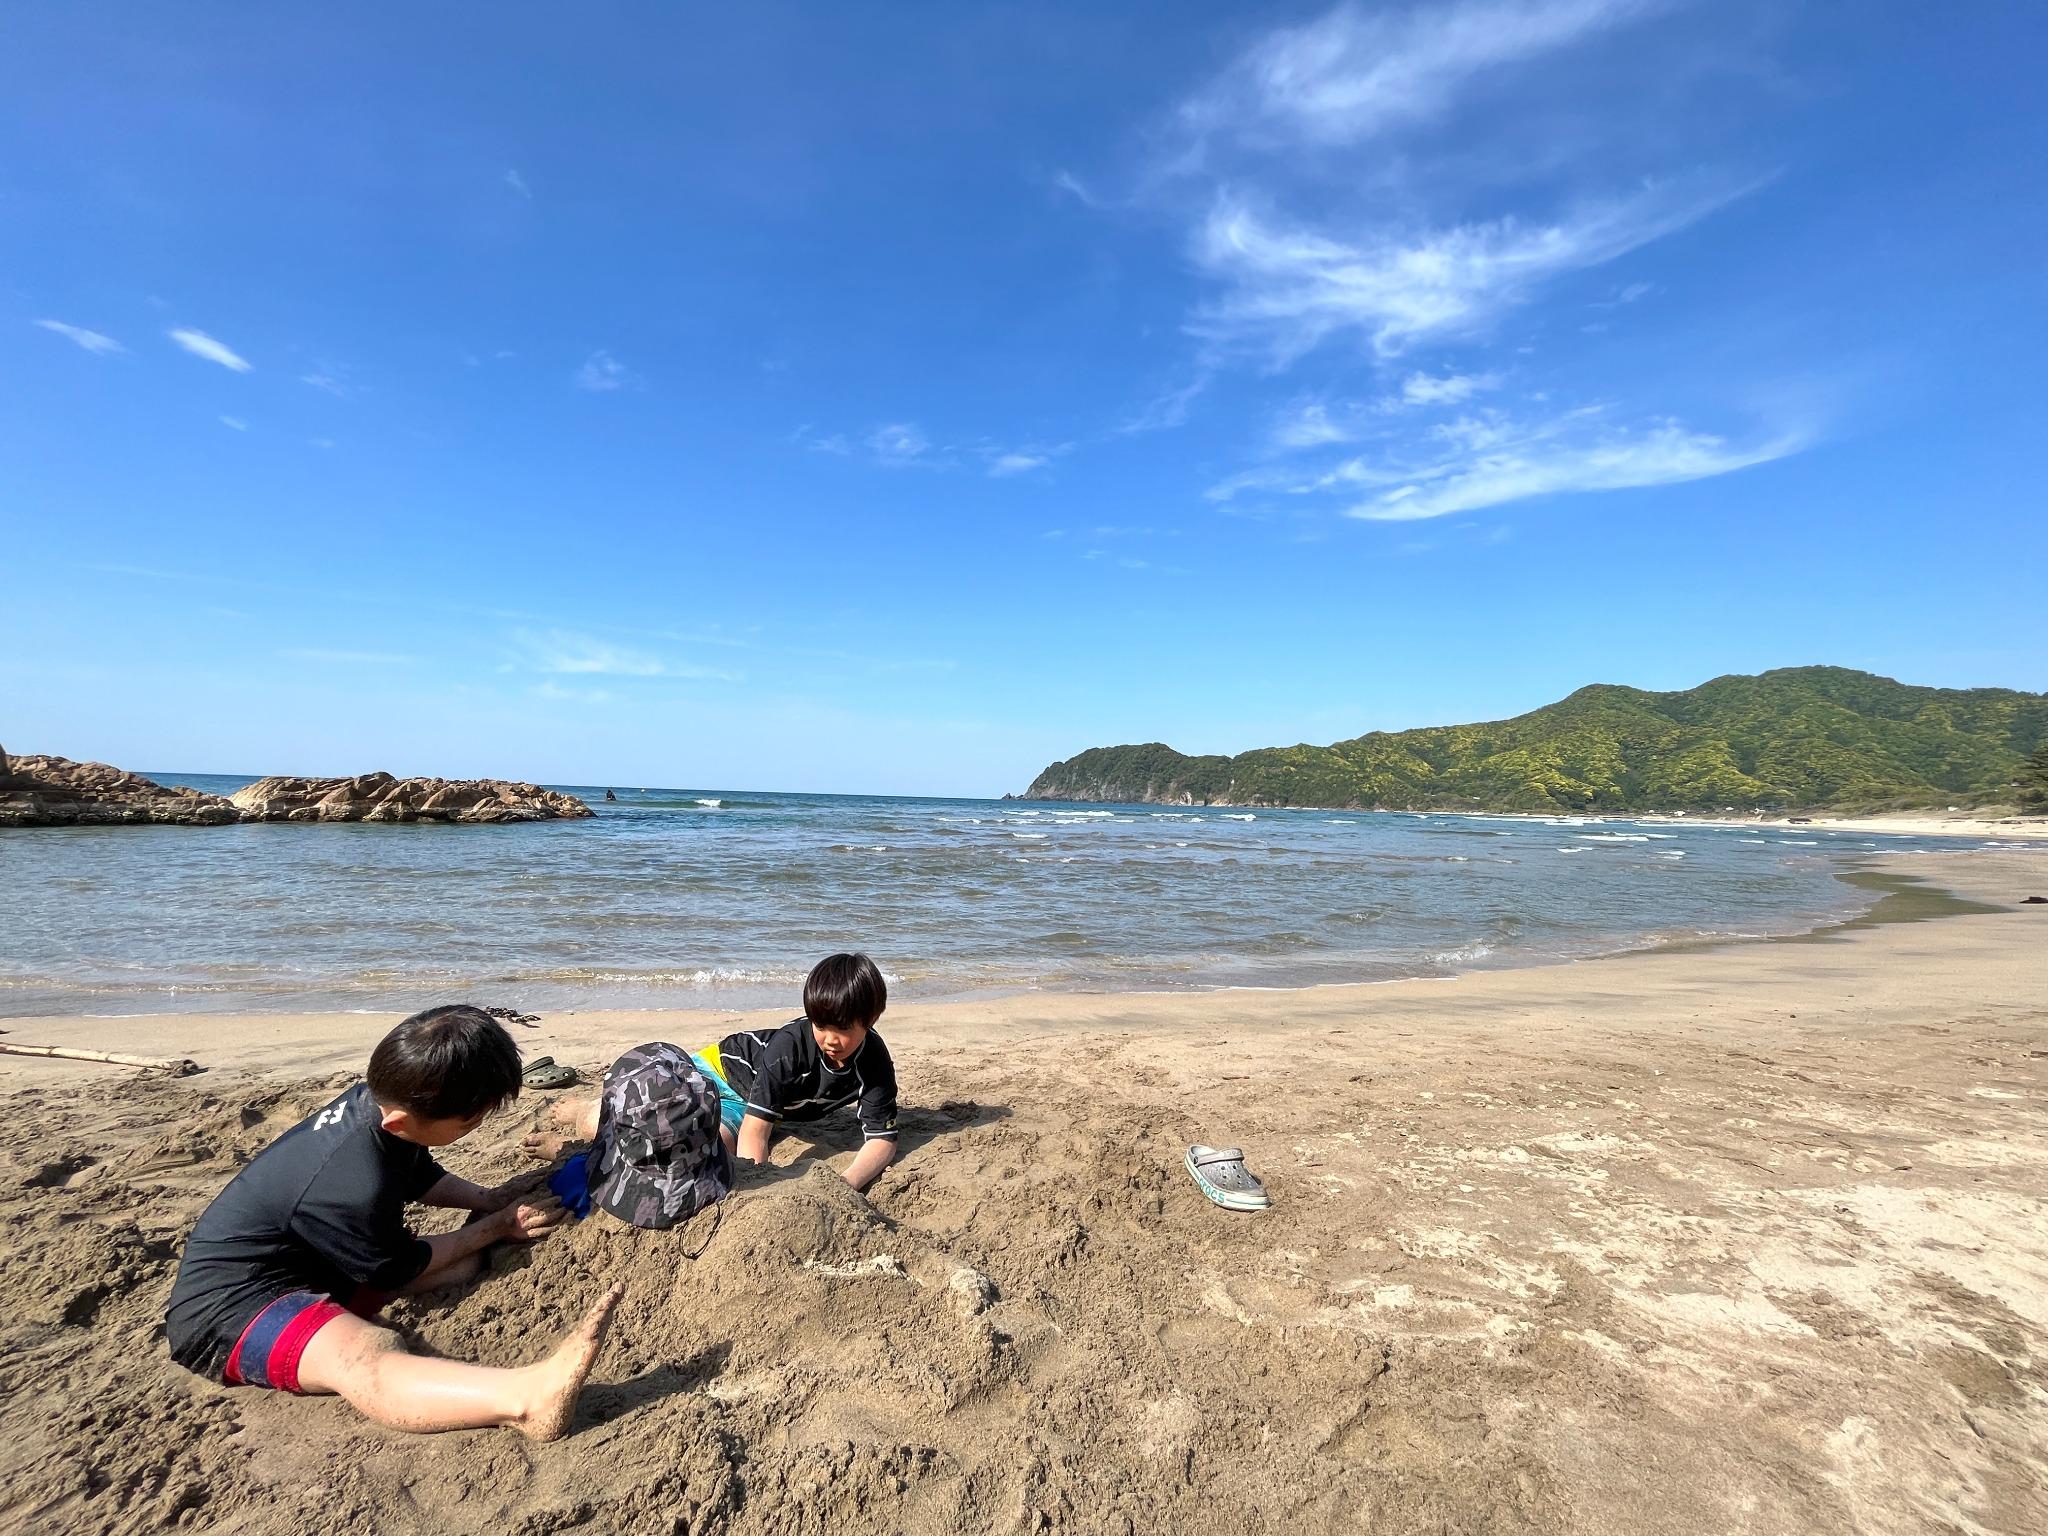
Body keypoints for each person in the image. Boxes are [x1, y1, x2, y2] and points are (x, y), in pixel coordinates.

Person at [163, 1004, 620, 1440]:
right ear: (402, 1122)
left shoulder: (380, 1105)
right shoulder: (351, 1182)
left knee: (463, 1265)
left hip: (317, 1265)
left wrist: (488, 1198)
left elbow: (415, 1173)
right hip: (232, 1310)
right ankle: (525, 1400)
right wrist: (495, 1226)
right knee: (364, 1352)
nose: (477, 1126)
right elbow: (395, 1267)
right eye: (468, 1123)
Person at [528, 953, 900, 1191]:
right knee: (636, 1121)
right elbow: (758, 1131)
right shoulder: (791, 1046)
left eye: (844, 1030)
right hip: (716, 1071)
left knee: (707, 1150)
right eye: (821, 1026)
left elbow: (882, 1140)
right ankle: (581, 1121)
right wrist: (762, 1184)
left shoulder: (874, 1061)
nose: (831, 1040)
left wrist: (847, 1183)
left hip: (744, 1102)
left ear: (870, 1020)